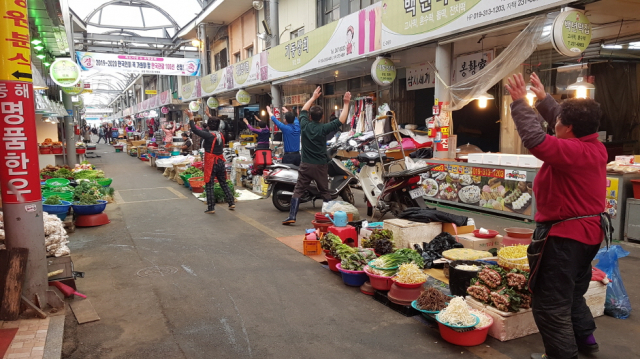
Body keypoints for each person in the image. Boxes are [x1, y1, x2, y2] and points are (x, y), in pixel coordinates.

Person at [506, 72, 610, 359]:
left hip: (564, 239)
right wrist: (543, 100)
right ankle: (587, 342)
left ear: (569, 128)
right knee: (573, 294)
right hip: (587, 236)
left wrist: (518, 103)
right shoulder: (593, 145)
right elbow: (563, 123)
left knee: (550, 305)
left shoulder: (572, 150)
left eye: (559, 122)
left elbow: (536, 139)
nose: (556, 125)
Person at [282, 87, 351, 225]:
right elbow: (341, 120)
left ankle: (292, 216)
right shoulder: (324, 128)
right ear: (322, 117)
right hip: (320, 166)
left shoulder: (304, 124)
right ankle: (328, 218)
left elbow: (303, 110)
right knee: (325, 192)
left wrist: (313, 97)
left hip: (306, 165)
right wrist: (346, 103)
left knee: (298, 190)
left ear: (310, 117)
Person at [184, 108, 235, 214]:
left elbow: (194, 129)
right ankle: (231, 202)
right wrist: (209, 115)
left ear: (209, 126)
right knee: (223, 183)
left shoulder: (209, 135)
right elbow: (215, 123)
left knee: (209, 184)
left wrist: (191, 118)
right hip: (221, 161)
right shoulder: (220, 134)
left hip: (211, 162)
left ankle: (211, 207)